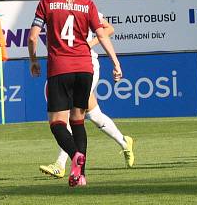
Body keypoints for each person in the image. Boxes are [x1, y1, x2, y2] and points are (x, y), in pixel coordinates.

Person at [28, 0, 123, 188]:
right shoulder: (87, 4)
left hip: (60, 68)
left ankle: (75, 156)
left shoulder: (47, 4)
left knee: (57, 123)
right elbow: (103, 35)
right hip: (84, 68)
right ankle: (80, 176)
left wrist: (33, 61)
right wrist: (116, 63)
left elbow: (33, 38)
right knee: (78, 121)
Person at [39, 13, 135, 178]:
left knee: (70, 113)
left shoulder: (84, 7)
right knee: (94, 115)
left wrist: (89, 43)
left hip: (87, 66)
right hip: (67, 67)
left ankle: (60, 164)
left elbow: (109, 28)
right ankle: (125, 141)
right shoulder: (56, 8)